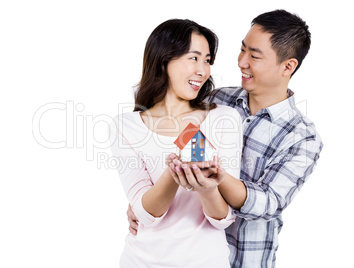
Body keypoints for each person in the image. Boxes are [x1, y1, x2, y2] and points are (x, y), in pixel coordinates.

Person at [127, 10, 323, 267]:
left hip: (246, 258)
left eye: (254, 55)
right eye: (242, 50)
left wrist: (216, 178)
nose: (241, 62)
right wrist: (142, 203)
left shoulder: (302, 137)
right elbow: (163, 143)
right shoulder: (215, 101)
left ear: (288, 66)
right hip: (186, 256)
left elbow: (268, 203)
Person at [110, 19, 243, 267]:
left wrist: (206, 188)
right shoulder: (125, 125)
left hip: (206, 261)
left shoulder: (223, 118)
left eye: (207, 60)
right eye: (193, 58)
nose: (203, 70)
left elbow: (222, 218)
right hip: (142, 261)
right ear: (164, 60)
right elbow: (144, 214)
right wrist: (173, 174)